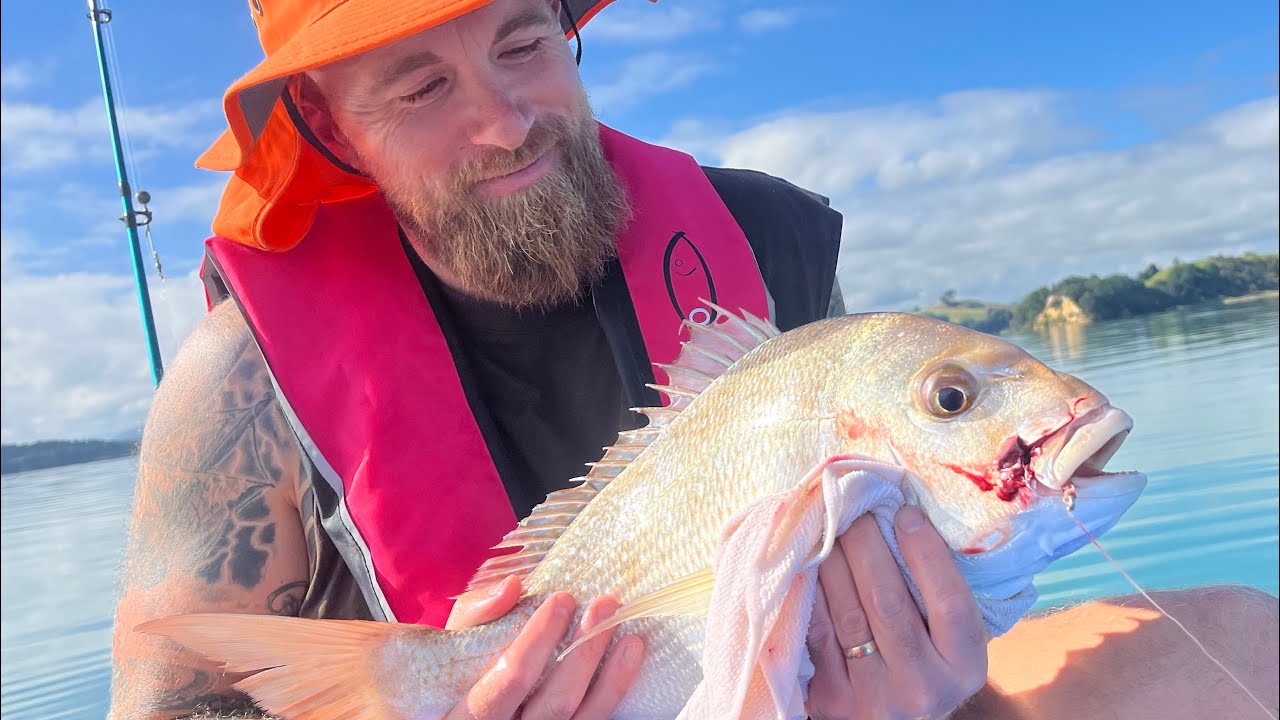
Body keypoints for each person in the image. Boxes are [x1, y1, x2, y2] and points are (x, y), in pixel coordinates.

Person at [108, 1, 1279, 719]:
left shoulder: (766, 242)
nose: (507, 118)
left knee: (1239, 648)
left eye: (523, 43)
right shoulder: (239, 382)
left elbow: (887, 572)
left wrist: (922, 685)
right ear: (327, 126)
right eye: (419, 87)